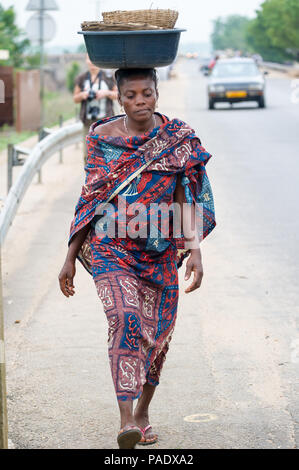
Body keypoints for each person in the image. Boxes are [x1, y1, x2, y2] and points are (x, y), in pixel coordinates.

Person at [59, 68, 216, 449]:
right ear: (119, 97)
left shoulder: (176, 139)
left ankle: (144, 412)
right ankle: (126, 420)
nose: (140, 101)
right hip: (112, 247)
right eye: (131, 95)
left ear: (157, 93)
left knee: (158, 336)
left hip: (159, 252)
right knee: (125, 318)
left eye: (147, 93)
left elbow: (185, 197)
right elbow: (92, 199)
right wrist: (69, 257)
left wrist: (193, 251)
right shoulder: (101, 138)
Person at [73, 54, 118, 165]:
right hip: (88, 122)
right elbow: (75, 98)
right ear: (86, 60)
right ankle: (90, 180)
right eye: (89, 58)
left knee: (107, 153)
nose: (92, 62)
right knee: (87, 155)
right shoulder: (82, 78)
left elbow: (118, 95)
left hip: (105, 121)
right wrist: (83, 95)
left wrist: (106, 93)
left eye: (94, 58)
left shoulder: (108, 77)